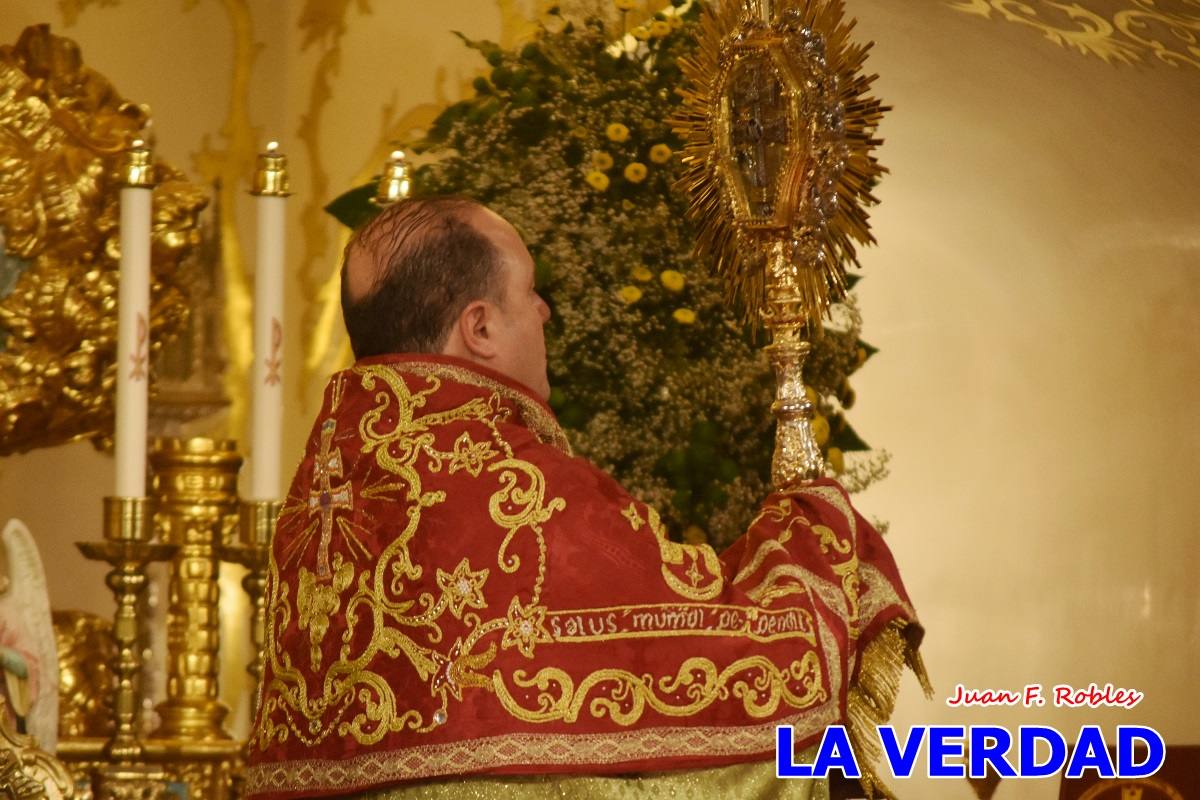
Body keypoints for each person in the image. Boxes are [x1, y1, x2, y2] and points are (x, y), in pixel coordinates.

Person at [244, 197, 925, 800]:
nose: (543, 310)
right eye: (530, 291)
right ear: (478, 328)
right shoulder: (525, 490)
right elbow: (730, 668)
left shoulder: (319, 504)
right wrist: (813, 528)